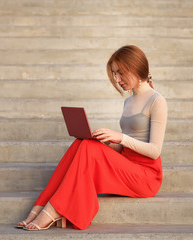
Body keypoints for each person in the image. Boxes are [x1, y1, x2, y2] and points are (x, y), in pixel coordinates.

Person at [16, 45, 168, 230]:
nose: (117, 80)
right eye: (114, 74)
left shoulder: (156, 100)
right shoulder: (128, 101)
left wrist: (120, 137)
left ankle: (53, 210)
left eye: (120, 73)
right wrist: (108, 143)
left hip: (146, 176)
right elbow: (124, 148)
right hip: (126, 164)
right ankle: (42, 205)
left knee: (89, 148)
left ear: (134, 68)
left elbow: (154, 151)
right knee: (84, 142)